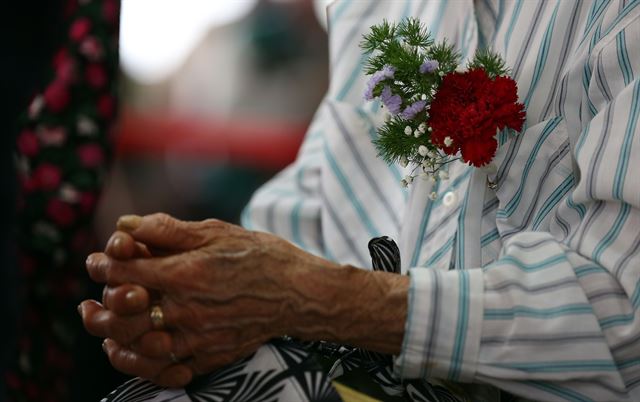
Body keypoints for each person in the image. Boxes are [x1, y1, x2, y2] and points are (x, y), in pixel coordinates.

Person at [80, 1, 640, 400]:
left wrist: (313, 296)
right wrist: (192, 302)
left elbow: (627, 328)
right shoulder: (370, 8)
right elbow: (312, 214)